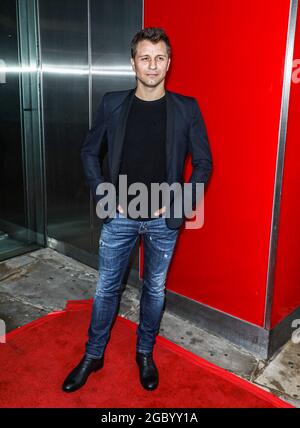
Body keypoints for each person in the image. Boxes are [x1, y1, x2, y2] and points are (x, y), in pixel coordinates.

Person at [62, 27, 212, 393]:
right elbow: (89, 151)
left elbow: (204, 164)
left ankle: (145, 352)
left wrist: (176, 204)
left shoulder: (186, 108)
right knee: (106, 289)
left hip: (163, 219)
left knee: (155, 290)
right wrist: (103, 193)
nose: (152, 65)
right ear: (133, 63)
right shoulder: (113, 103)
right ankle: (93, 354)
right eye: (145, 57)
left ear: (169, 63)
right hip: (120, 216)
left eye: (160, 58)